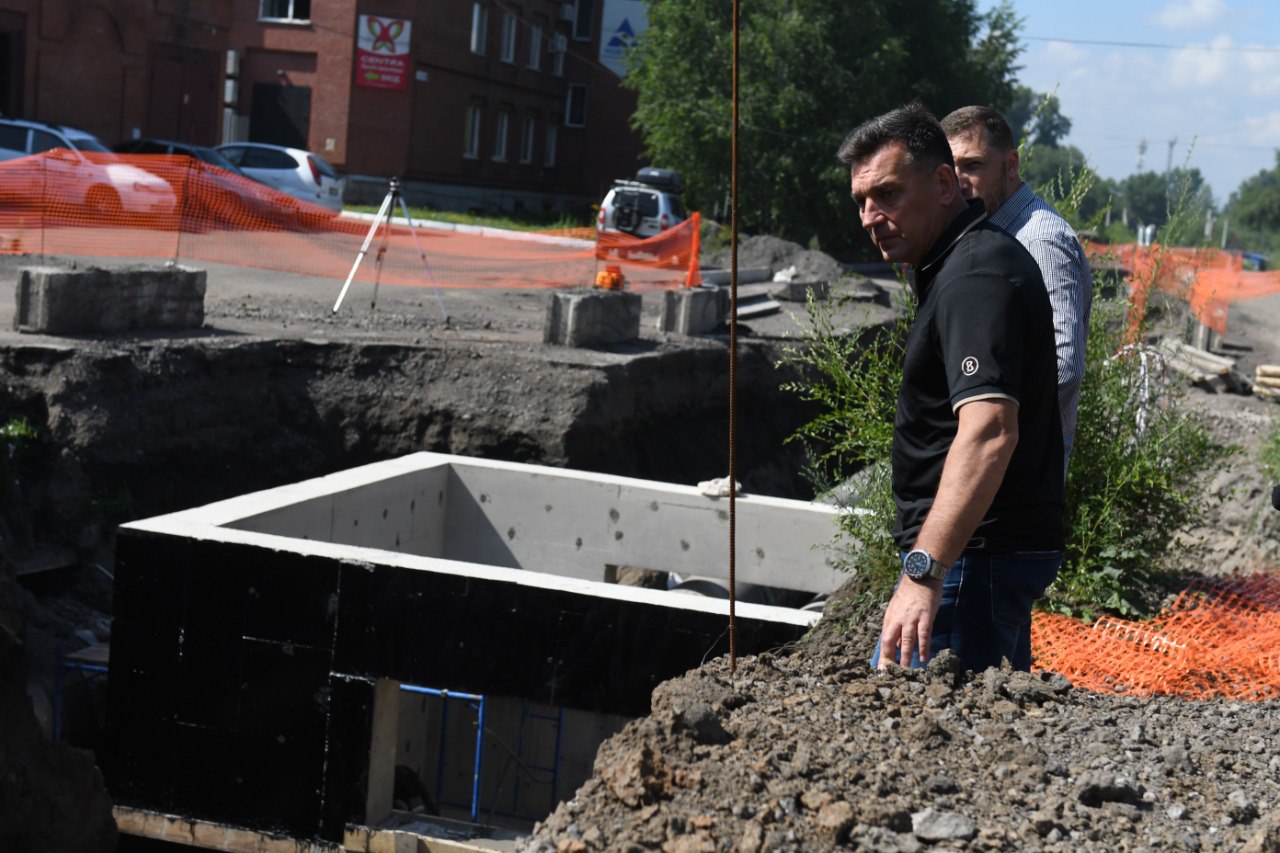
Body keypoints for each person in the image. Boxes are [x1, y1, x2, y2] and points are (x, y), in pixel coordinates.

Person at [836, 103, 1064, 672]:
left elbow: (989, 429)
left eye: (886, 194)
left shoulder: (975, 274)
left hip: (971, 558)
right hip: (977, 556)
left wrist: (924, 572)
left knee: (914, 733)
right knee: (980, 739)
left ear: (943, 183)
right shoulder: (957, 264)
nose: (870, 216)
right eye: (861, 202)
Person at [940, 106, 1092, 474]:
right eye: (950, 168)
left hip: (1017, 476)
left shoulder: (1039, 240)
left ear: (1010, 164)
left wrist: (989, 439)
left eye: (973, 165)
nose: (959, 181)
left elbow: (1064, 368)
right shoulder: (992, 234)